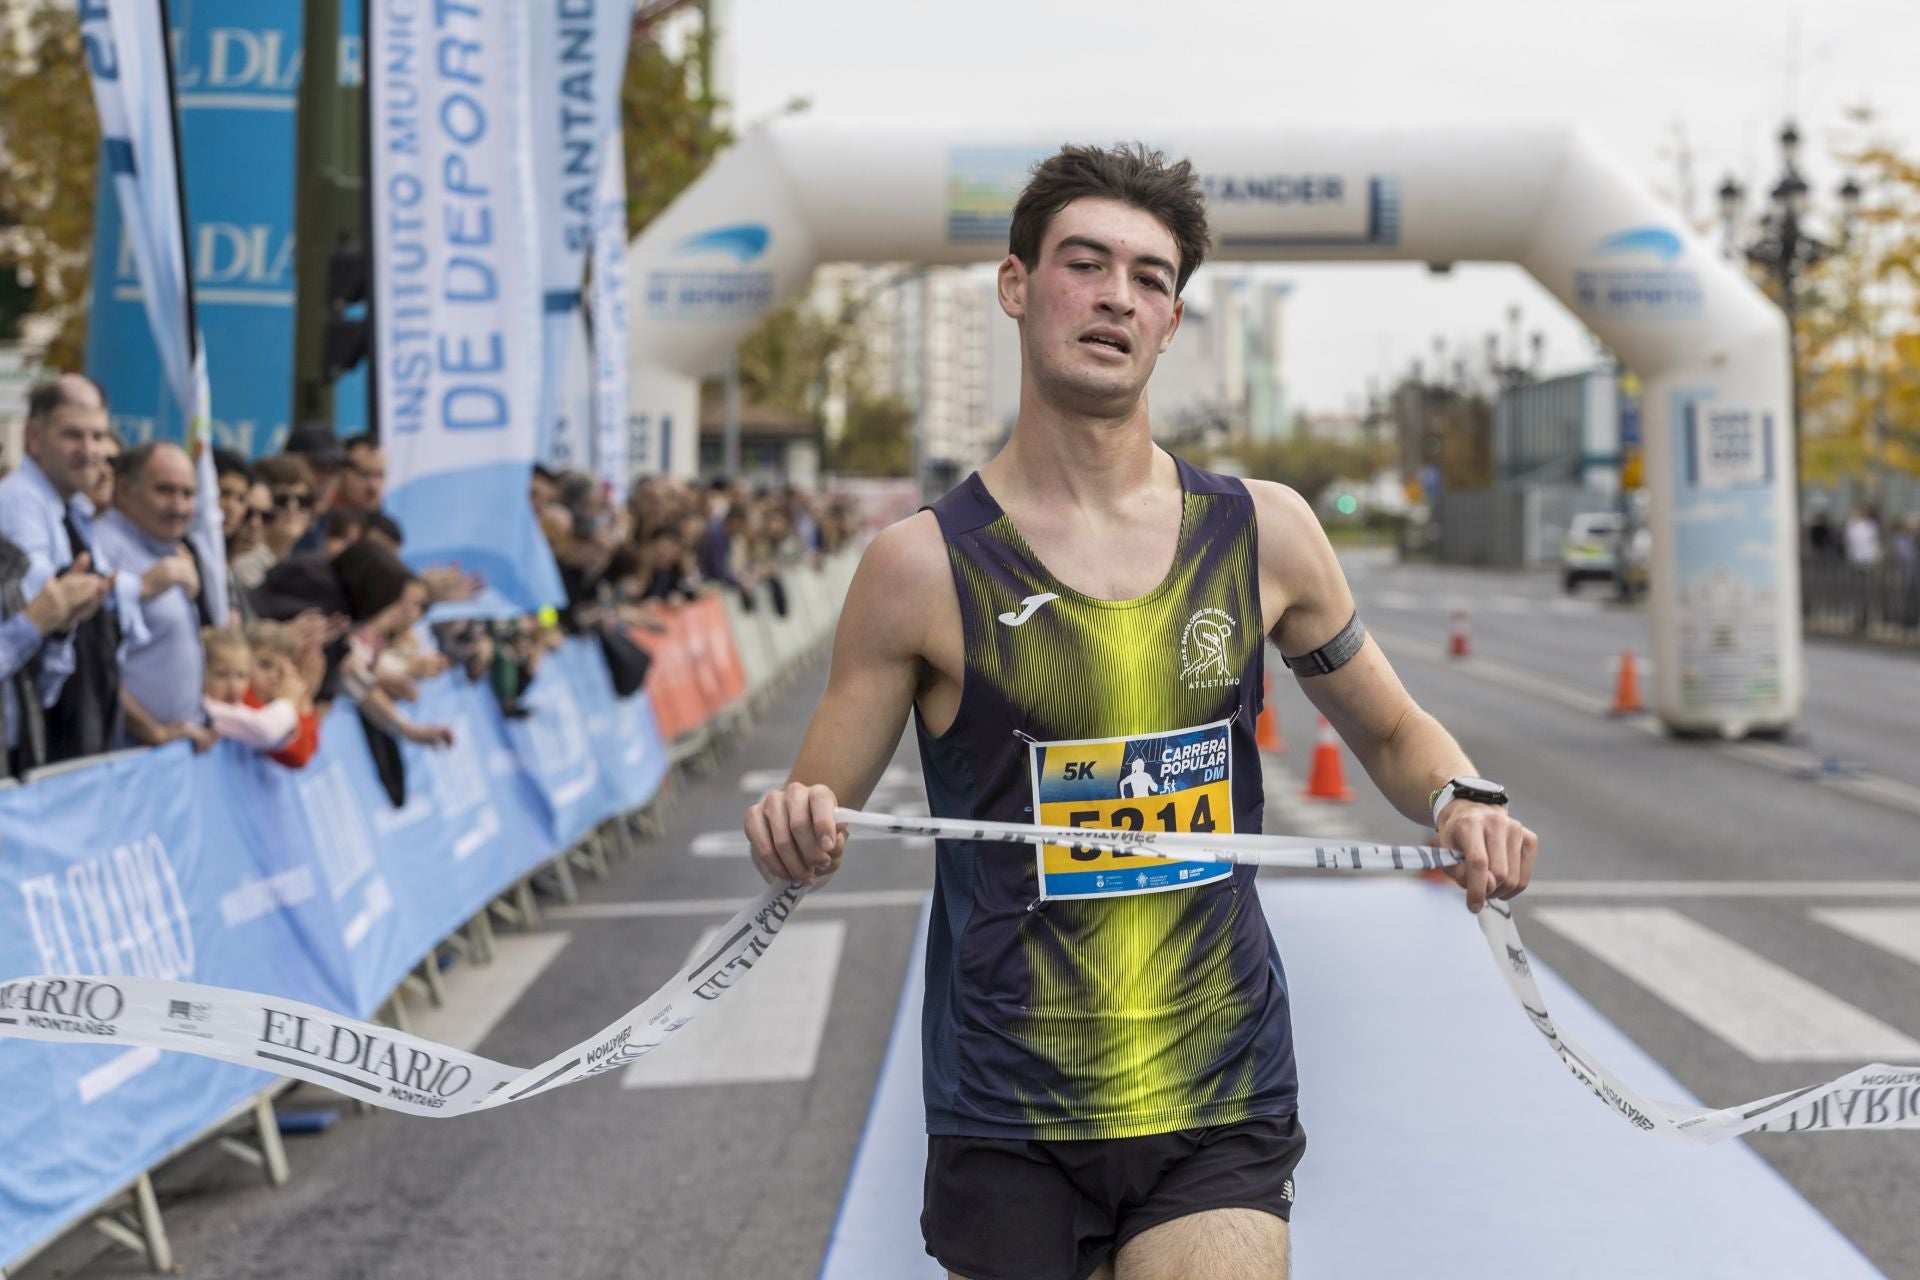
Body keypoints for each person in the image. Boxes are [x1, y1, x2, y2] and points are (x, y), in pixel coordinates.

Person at [742, 144, 1538, 1280]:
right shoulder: (918, 568)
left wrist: (1463, 798)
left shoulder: (1263, 533)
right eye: (1086, 263)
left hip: (1217, 1081)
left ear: (1171, 322)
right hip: (1008, 1100)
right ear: (1016, 286)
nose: (1118, 294)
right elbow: (814, 815)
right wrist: (792, 827)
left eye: (1152, 278)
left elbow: (1398, 733)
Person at [0, 375, 171, 760]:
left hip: (61, 726)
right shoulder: (18, 503)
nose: (90, 450)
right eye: (73, 436)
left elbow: (57, 633)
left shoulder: (74, 509)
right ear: (34, 438)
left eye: (97, 436)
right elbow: (43, 607)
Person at [93, 442, 219, 752]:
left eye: (188, 494)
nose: (178, 506)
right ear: (123, 489)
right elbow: (90, 665)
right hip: (128, 760)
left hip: (167, 758)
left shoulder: (171, 548)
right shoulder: (102, 549)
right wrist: (153, 731)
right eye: (164, 490)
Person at [0, 532, 110, 775]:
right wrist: (32, 624)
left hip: (21, 764)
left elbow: (43, 694)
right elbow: (28, 628)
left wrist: (60, 624)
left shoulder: (11, 562)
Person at [336, 436, 386, 514]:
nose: (374, 487)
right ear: (342, 473)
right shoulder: (320, 518)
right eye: (364, 474)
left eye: (380, 475)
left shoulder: (386, 524)